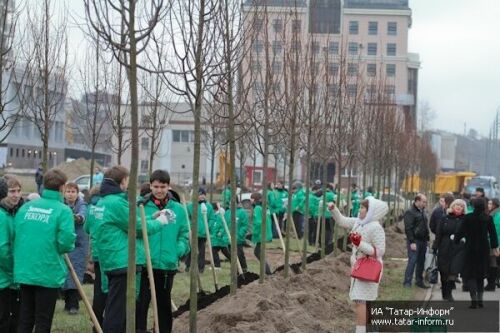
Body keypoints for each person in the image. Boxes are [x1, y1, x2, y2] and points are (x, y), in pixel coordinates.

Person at [93, 166, 169, 332]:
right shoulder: (117, 203)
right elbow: (138, 227)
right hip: (123, 261)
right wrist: (160, 222)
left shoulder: (101, 202)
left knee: (115, 305)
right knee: (117, 310)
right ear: (121, 182)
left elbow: (88, 227)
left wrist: (151, 216)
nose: (128, 185)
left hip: (109, 260)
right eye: (127, 181)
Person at [14, 168, 76, 333]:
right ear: (62, 187)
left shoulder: (27, 207)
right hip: (47, 271)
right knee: (43, 320)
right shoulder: (63, 210)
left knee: (25, 318)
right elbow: (66, 242)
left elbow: (16, 233)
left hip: (25, 270)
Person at [136, 169, 190, 333]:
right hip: (145, 264)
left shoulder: (179, 209)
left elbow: (184, 235)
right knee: (141, 305)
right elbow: (135, 230)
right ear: (150, 186)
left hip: (166, 265)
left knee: (163, 305)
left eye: (163, 187)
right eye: (156, 186)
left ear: (169, 186)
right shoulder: (142, 206)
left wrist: (177, 250)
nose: (159, 190)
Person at [328, 197, 388, 333]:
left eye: (362, 208)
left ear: (371, 211)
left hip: (369, 269)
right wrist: (334, 210)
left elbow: (379, 251)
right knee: (363, 302)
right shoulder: (359, 223)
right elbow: (342, 221)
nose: (359, 210)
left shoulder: (376, 228)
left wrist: (359, 243)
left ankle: (361, 330)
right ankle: (371, 329)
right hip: (359, 268)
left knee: (361, 301)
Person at [455, 198, 499, 308]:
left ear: (474, 206)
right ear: (484, 206)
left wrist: (456, 240)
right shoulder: (488, 218)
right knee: (480, 275)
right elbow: (493, 234)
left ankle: (473, 299)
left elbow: (460, 231)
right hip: (483, 250)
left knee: (470, 275)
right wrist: (494, 247)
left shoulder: (467, 217)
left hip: (470, 249)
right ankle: (480, 299)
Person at [0, 176, 24, 332]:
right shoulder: (2, 215)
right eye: (12, 191)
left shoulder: (18, 213)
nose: (16, 195)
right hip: (5, 278)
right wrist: (13, 271)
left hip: (15, 276)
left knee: (17, 317)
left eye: (18, 191)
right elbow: (2, 249)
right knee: (4, 319)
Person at [61, 182, 88, 315]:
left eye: (73, 192)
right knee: (65, 274)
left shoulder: (82, 205)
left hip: (78, 245)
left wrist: (77, 217)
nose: (70, 194)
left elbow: (82, 217)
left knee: (75, 274)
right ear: (64, 193)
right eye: (68, 191)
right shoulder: (61, 205)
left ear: (77, 193)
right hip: (65, 244)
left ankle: (74, 305)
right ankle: (67, 303)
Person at [432, 199, 466, 301]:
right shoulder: (445, 218)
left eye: (461, 206)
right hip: (445, 247)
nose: (459, 207)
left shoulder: (465, 219)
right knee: (444, 271)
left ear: (463, 209)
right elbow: (439, 233)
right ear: (453, 206)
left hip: (458, 248)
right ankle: (445, 293)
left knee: (454, 272)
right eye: (457, 205)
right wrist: (435, 246)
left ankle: (449, 293)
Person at [84, 185, 106, 333]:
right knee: (109, 289)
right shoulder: (108, 206)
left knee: (98, 288)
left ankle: (96, 320)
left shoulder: (90, 209)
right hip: (111, 253)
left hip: (97, 253)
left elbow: (87, 229)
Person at [186, 188, 216, 273]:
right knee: (191, 250)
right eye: (200, 194)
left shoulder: (208, 207)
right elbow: (187, 218)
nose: (202, 196)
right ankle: (188, 266)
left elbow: (212, 219)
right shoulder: (190, 206)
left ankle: (201, 268)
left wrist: (208, 227)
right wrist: (190, 227)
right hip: (193, 233)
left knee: (201, 251)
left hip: (203, 233)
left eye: (204, 194)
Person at [403, 194, 430, 288]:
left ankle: (419, 281)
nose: (425, 203)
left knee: (421, 261)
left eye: (425, 202)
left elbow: (425, 226)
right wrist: (412, 241)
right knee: (412, 260)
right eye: (423, 201)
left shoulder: (422, 211)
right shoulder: (410, 212)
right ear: (417, 201)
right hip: (415, 241)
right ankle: (407, 282)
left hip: (423, 241)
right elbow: (408, 228)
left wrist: (427, 239)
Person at [223, 198, 249, 273]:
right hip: (228, 238)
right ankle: (235, 270)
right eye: (230, 203)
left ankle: (243, 269)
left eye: (233, 203)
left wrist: (239, 235)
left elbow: (244, 226)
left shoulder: (242, 212)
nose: (231, 204)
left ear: (237, 203)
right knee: (231, 255)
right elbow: (224, 224)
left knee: (239, 254)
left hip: (238, 239)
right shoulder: (227, 212)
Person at [251, 192, 273, 275]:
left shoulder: (257, 208)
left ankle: (268, 272)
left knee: (258, 253)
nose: (250, 201)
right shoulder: (265, 208)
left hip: (261, 233)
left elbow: (258, 222)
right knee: (258, 252)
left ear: (255, 199)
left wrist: (254, 234)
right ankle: (267, 272)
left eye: (251, 199)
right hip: (266, 233)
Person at [211, 203, 230, 270]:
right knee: (223, 251)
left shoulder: (220, 216)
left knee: (214, 251)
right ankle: (232, 261)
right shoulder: (215, 216)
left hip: (220, 238)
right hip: (216, 238)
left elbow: (223, 225)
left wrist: (220, 233)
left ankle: (217, 266)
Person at [486, 198, 500, 291]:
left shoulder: (496, 214)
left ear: (494, 205)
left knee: (492, 262)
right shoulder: (493, 213)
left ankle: (491, 284)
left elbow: (496, 230)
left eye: (490, 203)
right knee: (493, 262)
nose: (489, 205)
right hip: (493, 242)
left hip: (493, 242)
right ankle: (493, 283)